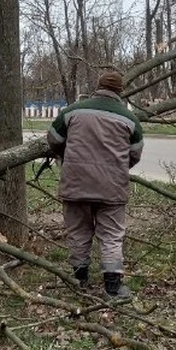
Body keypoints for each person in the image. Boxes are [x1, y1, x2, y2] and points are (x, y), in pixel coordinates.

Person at [47, 70, 144, 298]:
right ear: (120, 92)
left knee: (78, 232)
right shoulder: (129, 119)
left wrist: (68, 158)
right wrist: (117, 169)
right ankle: (112, 287)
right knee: (111, 235)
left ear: (97, 87)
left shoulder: (72, 111)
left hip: (75, 183)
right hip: (112, 187)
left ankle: (79, 279)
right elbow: (135, 154)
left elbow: (53, 139)